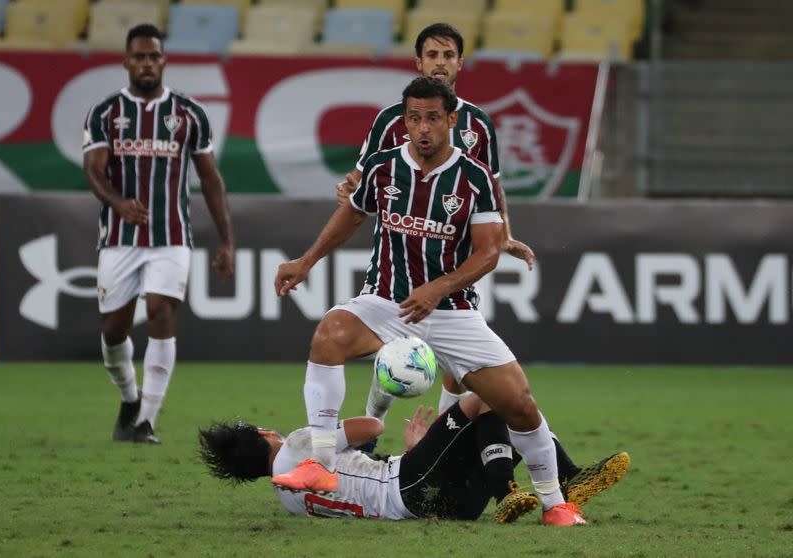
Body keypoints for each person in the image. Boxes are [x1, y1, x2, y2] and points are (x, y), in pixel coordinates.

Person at [336, 22, 629, 505]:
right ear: (418, 62)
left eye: (448, 54)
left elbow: (490, 190)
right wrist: (347, 187)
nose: (440, 62)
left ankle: (478, 474)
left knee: (468, 380)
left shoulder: (478, 125)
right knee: (432, 373)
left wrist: (504, 239)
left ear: (460, 63)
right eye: (431, 53)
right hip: (399, 269)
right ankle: (524, 477)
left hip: (457, 275)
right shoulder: (392, 119)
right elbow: (364, 179)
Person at [273, 76, 583, 526]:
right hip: (387, 302)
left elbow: (489, 252)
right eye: (414, 118)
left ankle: (555, 504)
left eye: (433, 118)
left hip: (452, 312)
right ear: (405, 121)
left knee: (518, 403)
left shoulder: (474, 177)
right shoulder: (382, 168)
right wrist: (306, 261)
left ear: (451, 120)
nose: (423, 128)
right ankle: (319, 464)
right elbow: (351, 215)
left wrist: (439, 287)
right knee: (329, 334)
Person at [83, 24, 235, 444]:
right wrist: (119, 203)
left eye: (154, 56)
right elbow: (93, 172)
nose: (147, 64)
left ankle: (146, 421)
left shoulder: (189, 114)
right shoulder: (105, 114)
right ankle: (129, 397)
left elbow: (210, 179)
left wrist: (226, 240)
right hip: (119, 238)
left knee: (161, 312)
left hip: (171, 236)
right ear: (127, 61)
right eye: (139, 57)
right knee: (113, 330)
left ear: (163, 61)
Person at [200, 395, 543, 523]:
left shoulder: (286, 499)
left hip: (436, 506)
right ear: (262, 435)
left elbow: (355, 483)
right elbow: (372, 426)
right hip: (408, 483)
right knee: (485, 396)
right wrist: (381, 391)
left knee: (514, 419)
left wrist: (415, 451)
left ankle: (562, 486)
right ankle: (508, 492)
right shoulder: (299, 444)